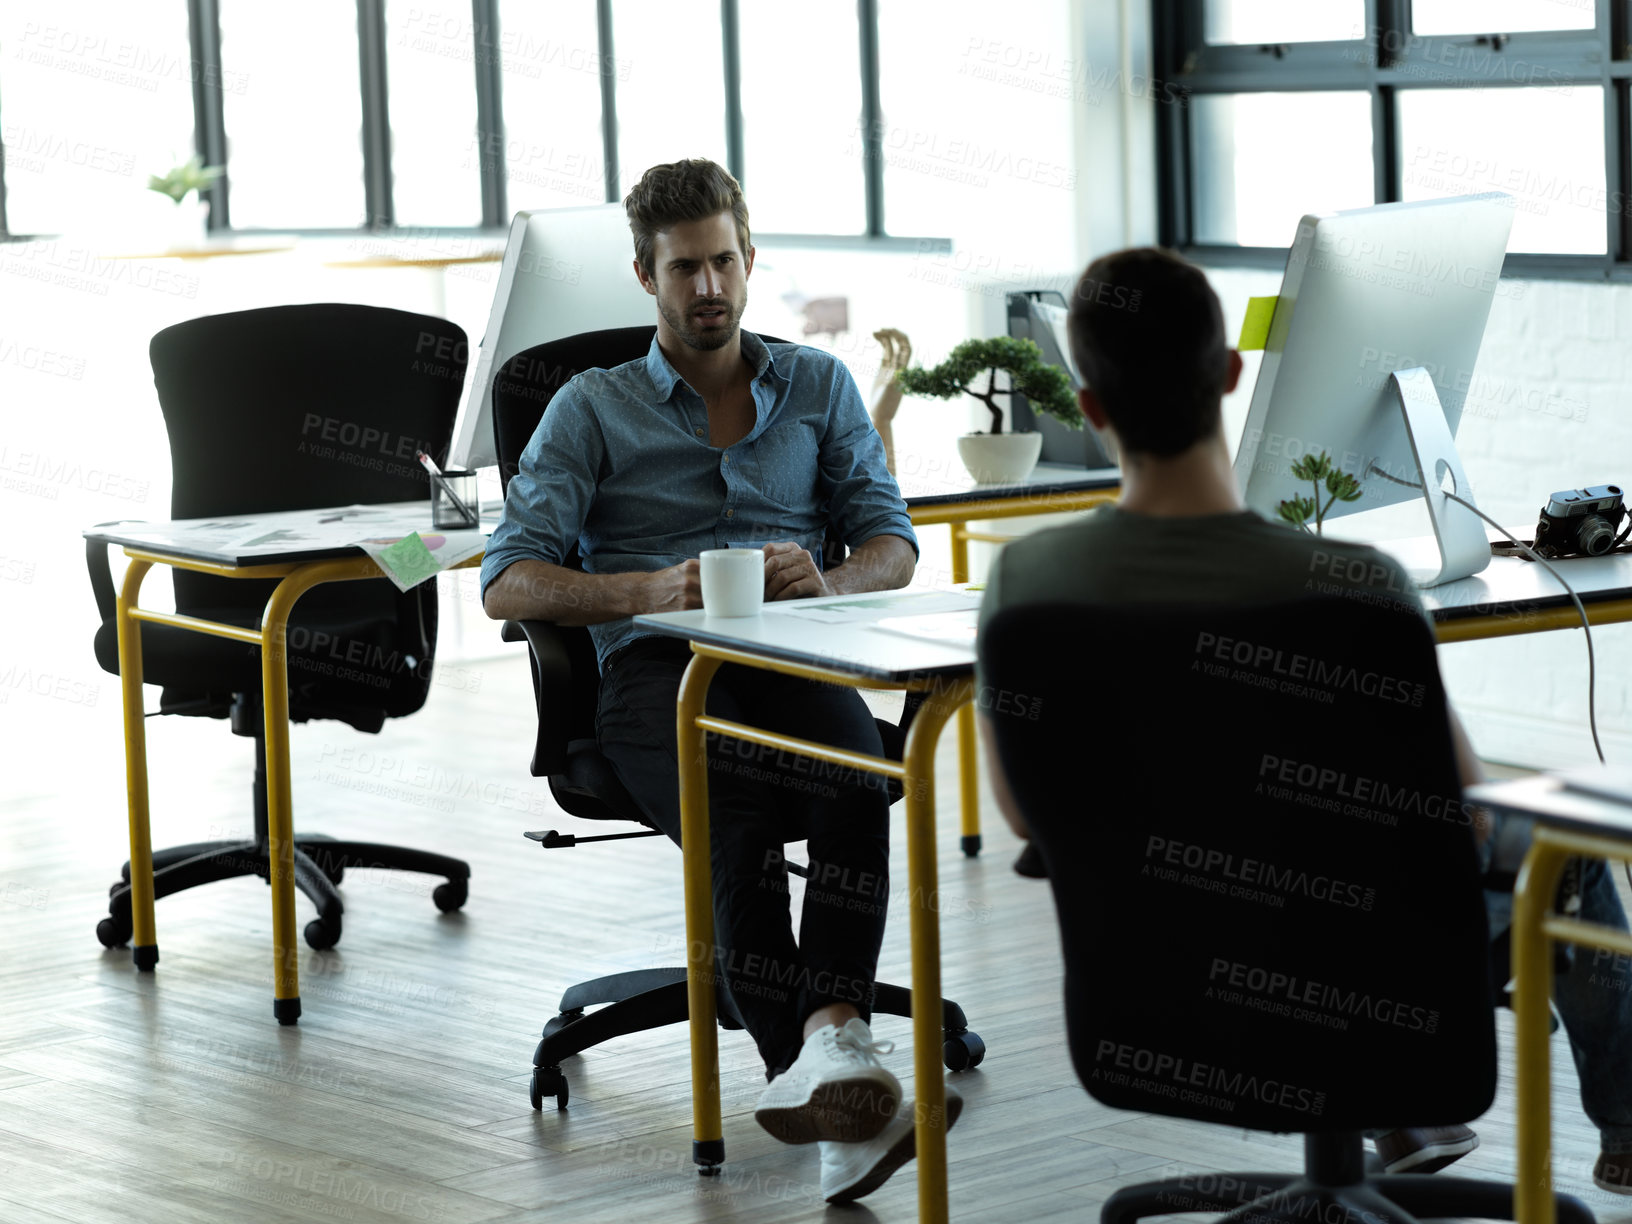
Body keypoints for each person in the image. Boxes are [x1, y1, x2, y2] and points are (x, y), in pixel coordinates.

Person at [974, 246, 1632, 1192]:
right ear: (1233, 377)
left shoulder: (1026, 587)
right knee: (1563, 853)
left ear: (1092, 409)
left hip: (1156, 1011)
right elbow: (1472, 808)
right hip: (1378, 995)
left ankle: (1403, 1122)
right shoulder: (1356, 588)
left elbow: (1031, 818)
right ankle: (1625, 1128)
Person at [481, 157, 957, 1204]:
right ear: (645, 276)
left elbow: (894, 544)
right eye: (685, 267)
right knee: (730, 808)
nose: (709, 287)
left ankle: (831, 1063)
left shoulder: (819, 386)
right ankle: (823, 1067)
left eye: (725, 262)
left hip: (791, 650)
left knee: (854, 777)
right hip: (657, 669)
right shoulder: (589, 408)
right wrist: (645, 588)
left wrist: (824, 578)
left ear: (751, 260)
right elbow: (506, 583)